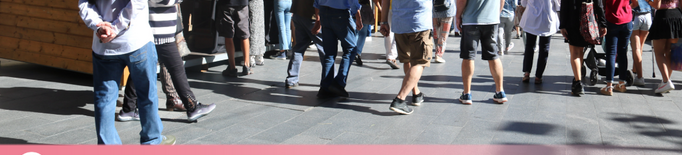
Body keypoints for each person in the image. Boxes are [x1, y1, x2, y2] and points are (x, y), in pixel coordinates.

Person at [78, 0, 175, 144]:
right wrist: (115, 28)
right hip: (136, 40)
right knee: (147, 94)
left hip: (104, 45)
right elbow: (137, 3)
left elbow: (84, 3)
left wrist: (98, 25)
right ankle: (152, 141)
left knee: (105, 100)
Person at [117, 0, 217, 122]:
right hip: (159, 32)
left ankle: (128, 109)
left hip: (158, 30)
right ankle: (192, 106)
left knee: (141, 69)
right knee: (176, 69)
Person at [380, 0, 432, 115]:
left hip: (399, 23)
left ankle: (416, 93)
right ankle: (400, 99)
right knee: (419, 62)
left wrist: (383, 21)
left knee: (407, 59)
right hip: (419, 22)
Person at [456, 0, 508, 104]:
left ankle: (466, 94)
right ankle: (500, 91)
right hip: (491, 20)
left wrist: (458, 15)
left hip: (471, 20)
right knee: (493, 55)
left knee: (468, 56)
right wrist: (496, 13)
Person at [312, 0, 362, 98]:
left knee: (329, 53)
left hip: (324, 11)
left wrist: (318, 18)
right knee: (351, 49)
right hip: (340, 13)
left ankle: (325, 87)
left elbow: (316, 2)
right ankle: (338, 83)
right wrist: (357, 14)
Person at [560, 0, 606, 96]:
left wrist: (562, 25)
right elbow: (599, 5)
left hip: (572, 20)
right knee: (580, 51)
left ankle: (578, 82)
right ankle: (578, 77)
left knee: (575, 52)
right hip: (587, 21)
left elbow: (564, 5)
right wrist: (602, 23)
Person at [285, 0, 325, 88]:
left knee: (299, 47)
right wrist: (318, 19)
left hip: (298, 13)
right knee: (325, 50)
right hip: (312, 16)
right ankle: (330, 80)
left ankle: (292, 79)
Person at [519, 0, 560, 84]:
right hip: (547, 19)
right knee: (544, 48)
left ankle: (527, 73)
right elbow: (558, 6)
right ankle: (538, 76)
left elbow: (523, 3)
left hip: (531, 18)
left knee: (529, 46)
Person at [648, 0, 682, 93]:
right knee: (669, 51)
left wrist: (647, 1)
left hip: (663, 17)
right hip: (677, 16)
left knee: (659, 53)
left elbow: (657, 5)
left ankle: (666, 81)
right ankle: (665, 81)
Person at [600, 0, 634, 95]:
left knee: (611, 53)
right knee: (623, 52)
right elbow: (635, 3)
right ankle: (621, 84)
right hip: (627, 20)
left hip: (612, 20)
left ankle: (609, 86)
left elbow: (602, 3)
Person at [217, 0, 253, 77]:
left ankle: (232, 67)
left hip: (226, 3)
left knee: (228, 35)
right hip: (242, 3)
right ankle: (247, 65)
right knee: (244, 33)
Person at [629, 0, 654, 86]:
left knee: (636, 48)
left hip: (635, 16)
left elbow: (634, 3)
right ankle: (635, 72)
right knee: (640, 47)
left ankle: (640, 77)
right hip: (647, 15)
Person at [353, 0, 382, 66]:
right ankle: (358, 52)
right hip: (365, 9)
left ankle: (353, 51)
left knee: (355, 32)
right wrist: (380, 8)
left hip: (354, 8)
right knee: (363, 33)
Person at [383, 0, 401, 69]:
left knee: (388, 33)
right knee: (398, 31)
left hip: (387, 6)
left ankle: (389, 56)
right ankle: (392, 56)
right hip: (399, 7)